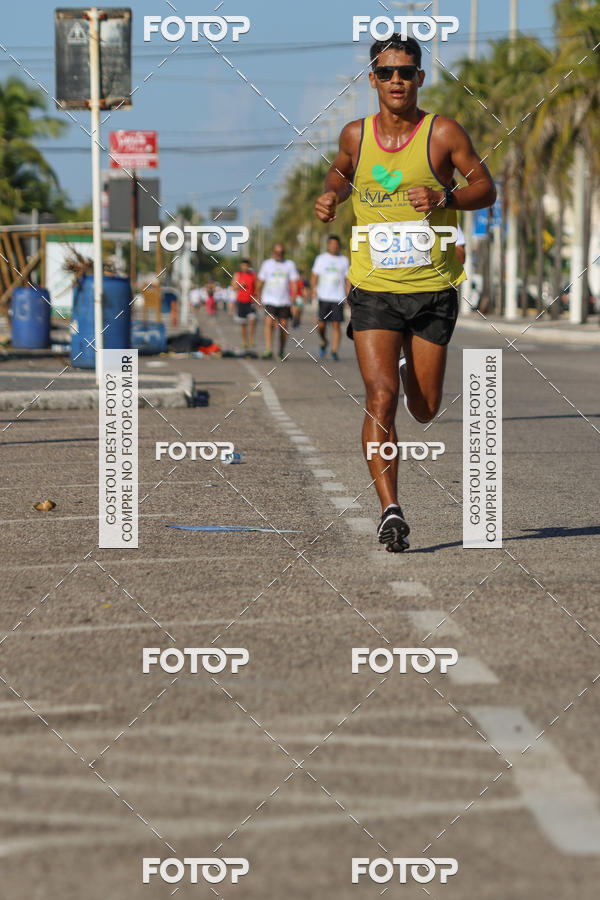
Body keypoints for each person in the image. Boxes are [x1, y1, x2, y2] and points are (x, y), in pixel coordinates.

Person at [315, 33, 495, 552]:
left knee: (424, 407)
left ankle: (403, 369)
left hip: (432, 290)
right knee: (381, 398)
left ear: (421, 78)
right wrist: (331, 193)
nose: (398, 80)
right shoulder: (355, 134)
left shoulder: (442, 134)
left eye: (407, 72)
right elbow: (341, 171)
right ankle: (390, 509)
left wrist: (447, 195)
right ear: (373, 78)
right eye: (388, 72)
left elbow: (486, 186)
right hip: (374, 288)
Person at [311, 234, 350, 361]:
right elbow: (314, 276)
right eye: (332, 244)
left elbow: (347, 279)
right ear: (328, 245)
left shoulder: (344, 260)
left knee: (336, 325)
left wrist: (349, 295)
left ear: (339, 246)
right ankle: (323, 341)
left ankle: (334, 351)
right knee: (321, 325)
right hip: (324, 296)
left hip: (338, 297)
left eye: (336, 244)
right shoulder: (321, 259)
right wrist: (313, 289)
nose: (334, 246)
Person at [256, 243, 299, 360]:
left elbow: (294, 283)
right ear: (272, 253)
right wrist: (258, 297)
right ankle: (268, 349)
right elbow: (260, 282)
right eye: (276, 252)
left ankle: (281, 349)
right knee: (269, 322)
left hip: (284, 301)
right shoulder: (267, 264)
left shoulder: (289, 264)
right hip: (269, 299)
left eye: (281, 253)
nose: (279, 255)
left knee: (284, 325)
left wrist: (293, 300)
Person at [231, 259, 257, 352]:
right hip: (241, 301)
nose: (245, 267)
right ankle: (245, 341)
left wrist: (257, 299)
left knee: (253, 320)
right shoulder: (238, 274)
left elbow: (257, 287)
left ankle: (251, 338)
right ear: (241, 266)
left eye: (246, 265)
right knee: (243, 323)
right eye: (243, 265)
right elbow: (233, 287)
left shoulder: (253, 275)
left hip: (251, 301)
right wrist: (240, 285)